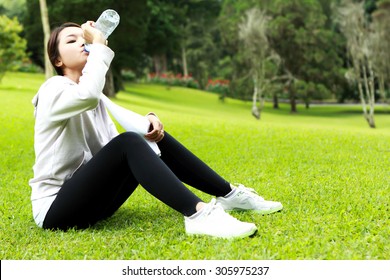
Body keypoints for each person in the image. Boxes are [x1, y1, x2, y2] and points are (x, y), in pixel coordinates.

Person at [29, 21, 283, 239]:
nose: (81, 43)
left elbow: (115, 150)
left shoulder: (95, 100)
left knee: (149, 137)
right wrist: (99, 46)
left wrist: (148, 122)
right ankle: (198, 214)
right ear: (57, 59)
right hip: (56, 210)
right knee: (129, 142)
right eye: (71, 40)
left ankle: (228, 194)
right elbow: (90, 96)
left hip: (94, 204)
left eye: (82, 38)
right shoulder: (53, 89)